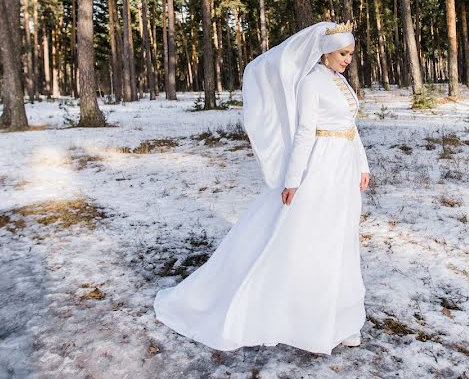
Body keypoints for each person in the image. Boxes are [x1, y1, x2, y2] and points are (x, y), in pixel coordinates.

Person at [153, 20, 371, 354]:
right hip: (320, 168)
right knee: (316, 241)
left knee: (341, 239)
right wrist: (293, 180)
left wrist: (363, 164)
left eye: (351, 54)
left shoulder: (341, 82)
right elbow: (303, 133)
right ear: (326, 51)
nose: (348, 60)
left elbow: (350, 128)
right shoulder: (311, 83)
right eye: (343, 53)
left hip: (343, 170)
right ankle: (309, 320)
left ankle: (342, 319)